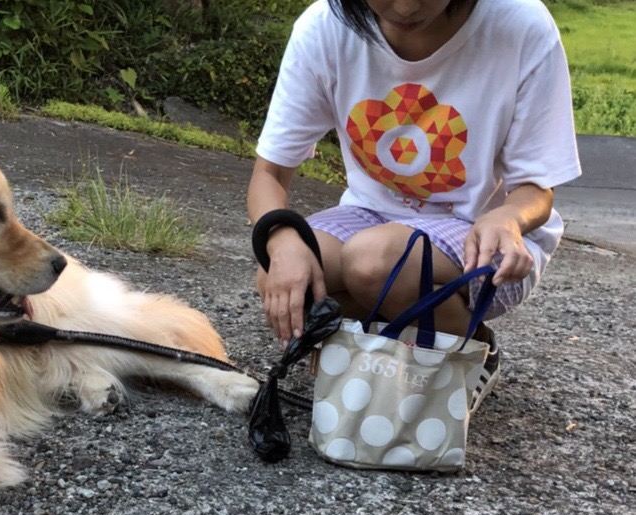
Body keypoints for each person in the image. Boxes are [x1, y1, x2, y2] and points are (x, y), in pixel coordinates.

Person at [247, 0, 581, 410]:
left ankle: (474, 348)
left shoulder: (520, 25)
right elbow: (269, 174)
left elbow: (536, 189)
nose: (405, 6)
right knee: (279, 274)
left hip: (480, 231)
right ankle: (391, 352)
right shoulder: (325, 28)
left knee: (375, 263)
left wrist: (509, 217)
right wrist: (281, 242)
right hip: (369, 217)